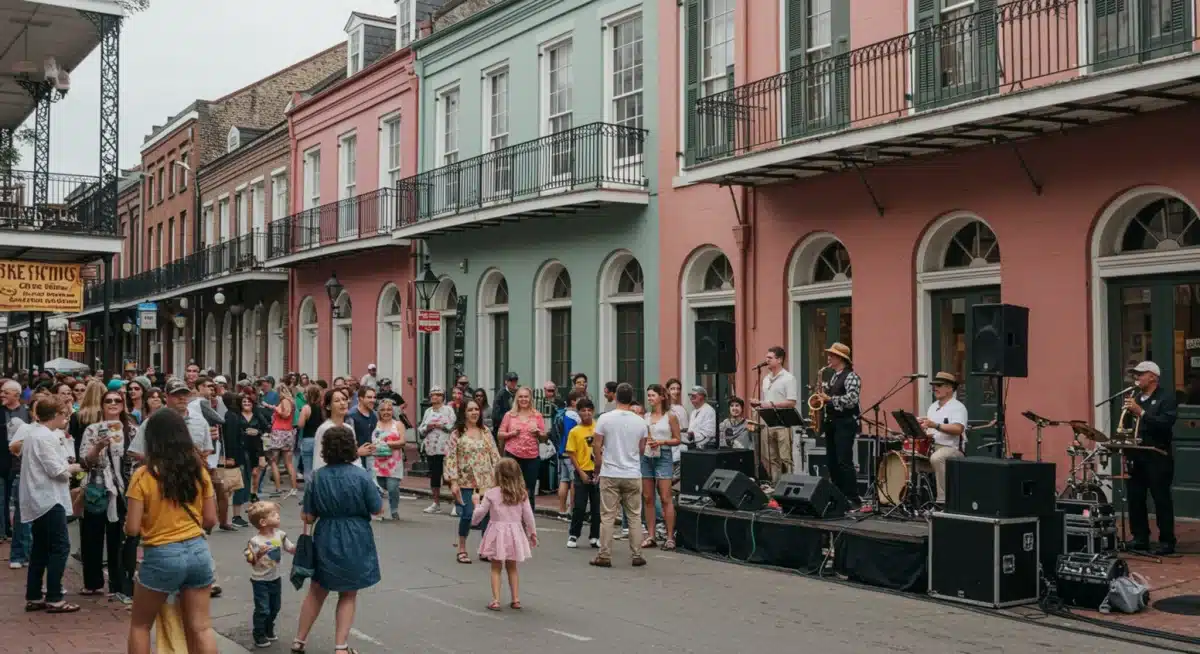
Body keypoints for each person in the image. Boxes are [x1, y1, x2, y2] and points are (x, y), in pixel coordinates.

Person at [125, 409, 218, 654]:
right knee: (201, 627)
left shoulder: (144, 475)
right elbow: (210, 518)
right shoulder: (198, 471)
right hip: (198, 549)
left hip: (161, 553)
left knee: (141, 625)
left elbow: (132, 527)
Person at [293, 426, 382, 654]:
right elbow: (377, 509)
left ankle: (299, 640)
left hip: (326, 533)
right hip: (355, 534)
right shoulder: (361, 476)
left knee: (316, 590)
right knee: (349, 592)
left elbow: (308, 516)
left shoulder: (318, 477)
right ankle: (341, 647)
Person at [19, 396, 82, 613]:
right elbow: (57, 471)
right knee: (60, 547)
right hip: (48, 499)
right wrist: (74, 468)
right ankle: (55, 596)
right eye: (64, 415)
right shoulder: (45, 438)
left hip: (38, 499)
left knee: (40, 548)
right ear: (55, 415)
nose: (66, 419)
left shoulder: (34, 435)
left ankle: (35, 595)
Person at [78, 389, 135, 602]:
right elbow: (85, 461)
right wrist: (99, 446)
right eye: (108, 401)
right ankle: (92, 582)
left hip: (123, 490)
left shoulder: (132, 430)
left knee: (118, 537)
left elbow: (139, 460)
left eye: (117, 401)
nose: (113, 404)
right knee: (92, 535)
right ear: (102, 405)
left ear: (123, 405)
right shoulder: (93, 429)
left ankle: (118, 583)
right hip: (98, 488)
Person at [591, 382, 648, 568]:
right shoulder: (640, 421)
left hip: (610, 471)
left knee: (607, 515)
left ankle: (604, 554)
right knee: (634, 515)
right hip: (632, 472)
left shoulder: (605, 419)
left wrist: (598, 465)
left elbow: (597, 444)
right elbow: (641, 449)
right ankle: (637, 553)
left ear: (615, 396)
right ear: (631, 398)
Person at [1123, 361, 1177, 555]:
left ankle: (1167, 541)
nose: (1137, 378)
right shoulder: (1135, 397)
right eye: (1135, 374)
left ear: (1153, 376)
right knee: (1135, 497)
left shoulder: (1166, 398)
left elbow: (1165, 423)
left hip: (1157, 455)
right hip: (1137, 455)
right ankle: (1140, 538)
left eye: (1140, 374)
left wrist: (1141, 412)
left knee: (1160, 498)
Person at [472, 458, 538, 611]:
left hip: (497, 532)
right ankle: (516, 599)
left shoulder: (492, 493)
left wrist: (476, 503)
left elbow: (479, 516)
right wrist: (532, 532)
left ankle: (496, 599)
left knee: (496, 567)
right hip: (515, 533)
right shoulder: (521, 494)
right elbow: (528, 516)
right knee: (512, 567)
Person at [445, 399, 500, 563]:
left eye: (477, 409)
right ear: (464, 413)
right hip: (465, 481)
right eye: (470, 410)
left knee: (487, 516)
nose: (474, 412)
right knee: (468, 514)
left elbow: (495, 455)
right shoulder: (457, 433)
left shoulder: (485, 431)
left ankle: (485, 548)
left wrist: (501, 478)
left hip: (486, 480)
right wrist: (453, 481)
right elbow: (450, 458)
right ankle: (461, 548)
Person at [813, 343, 861, 505]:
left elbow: (852, 400)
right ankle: (838, 494)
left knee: (844, 461)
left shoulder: (851, 376)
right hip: (832, 422)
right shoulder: (834, 376)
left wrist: (830, 399)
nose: (828, 358)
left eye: (831, 356)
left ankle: (852, 497)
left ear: (841, 358)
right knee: (832, 460)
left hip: (845, 423)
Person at [243, 501, 295, 648]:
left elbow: (290, 548)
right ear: (263, 522)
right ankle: (259, 633)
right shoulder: (255, 541)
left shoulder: (280, 535)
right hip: (260, 580)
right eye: (273, 514)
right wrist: (258, 554)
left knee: (275, 607)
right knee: (262, 608)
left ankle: (268, 627)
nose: (277, 516)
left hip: (275, 578)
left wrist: (301, 548)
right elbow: (250, 559)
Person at [641, 384, 680, 551]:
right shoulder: (646, 416)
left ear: (662, 397)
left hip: (663, 454)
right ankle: (651, 535)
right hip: (648, 455)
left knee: (665, 497)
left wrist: (662, 442)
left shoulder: (670, 416)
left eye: (653, 395)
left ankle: (670, 536)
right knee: (648, 497)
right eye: (648, 395)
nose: (650, 398)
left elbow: (677, 439)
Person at [919, 372, 967, 506]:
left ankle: (943, 502)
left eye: (939, 385)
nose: (935, 388)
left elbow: (958, 429)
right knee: (910, 459)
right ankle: (913, 500)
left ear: (950, 388)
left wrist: (935, 425)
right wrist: (922, 428)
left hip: (952, 449)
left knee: (937, 458)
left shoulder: (957, 407)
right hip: (931, 447)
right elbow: (930, 431)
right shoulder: (933, 407)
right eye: (934, 385)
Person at [751, 346, 799, 483]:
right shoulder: (766, 379)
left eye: (770, 358)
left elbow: (791, 402)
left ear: (779, 360)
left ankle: (789, 485)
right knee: (770, 457)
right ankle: (775, 485)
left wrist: (771, 404)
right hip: (767, 422)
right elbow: (765, 401)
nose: (766, 360)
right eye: (766, 357)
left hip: (783, 422)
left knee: (785, 457)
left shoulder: (788, 378)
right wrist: (758, 403)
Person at [496, 386, 546, 511]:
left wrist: (539, 433)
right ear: (517, 399)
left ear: (530, 399)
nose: (523, 399)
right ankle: (509, 515)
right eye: (521, 397)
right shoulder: (510, 415)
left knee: (528, 489)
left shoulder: (537, 415)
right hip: (512, 455)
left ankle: (528, 519)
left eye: (526, 397)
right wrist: (511, 434)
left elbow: (544, 438)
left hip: (532, 457)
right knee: (510, 487)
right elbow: (500, 434)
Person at [565, 398, 600, 549]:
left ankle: (595, 535)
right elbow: (572, 453)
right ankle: (574, 534)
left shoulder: (598, 428)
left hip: (597, 470)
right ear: (578, 412)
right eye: (583, 410)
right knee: (579, 505)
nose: (586, 413)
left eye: (589, 410)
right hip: (582, 470)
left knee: (597, 506)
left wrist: (600, 470)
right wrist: (580, 472)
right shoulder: (575, 431)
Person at [418, 386, 456, 514]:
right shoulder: (428, 411)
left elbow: (453, 426)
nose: (435, 397)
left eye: (438, 395)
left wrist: (440, 425)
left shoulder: (448, 410)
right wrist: (428, 427)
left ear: (443, 397)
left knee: (449, 476)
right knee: (434, 476)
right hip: (431, 448)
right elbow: (421, 429)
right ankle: (436, 503)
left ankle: (456, 503)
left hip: (445, 448)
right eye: (433, 395)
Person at [370, 399, 406, 520]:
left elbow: (402, 441)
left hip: (393, 463)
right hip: (378, 462)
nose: (386, 412)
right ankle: (378, 510)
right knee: (379, 486)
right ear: (379, 412)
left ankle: (394, 509)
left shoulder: (398, 424)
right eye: (383, 410)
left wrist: (388, 443)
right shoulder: (375, 424)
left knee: (392, 486)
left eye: (389, 410)